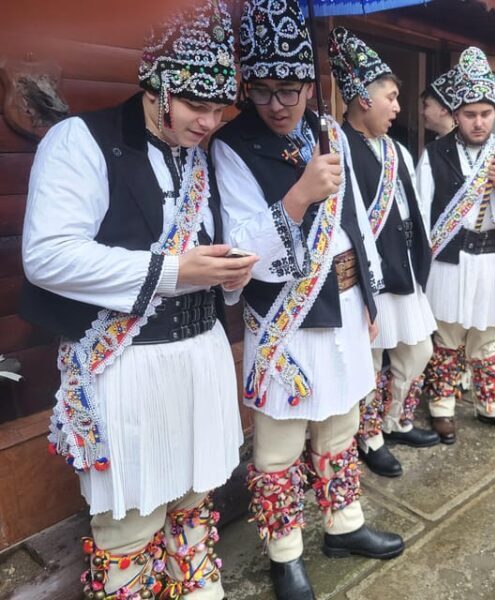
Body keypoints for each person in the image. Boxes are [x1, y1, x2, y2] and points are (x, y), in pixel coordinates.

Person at [20, 2, 257, 597]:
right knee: (131, 517)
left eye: (218, 107)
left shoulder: (201, 157)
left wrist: (228, 274)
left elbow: (209, 253)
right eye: (196, 106)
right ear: (156, 89)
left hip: (201, 353)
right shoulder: (80, 141)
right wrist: (176, 270)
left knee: (194, 496)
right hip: (127, 361)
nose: (209, 122)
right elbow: (48, 255)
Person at [211, 2, 403, 598]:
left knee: (341, 422)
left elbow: (357, 223)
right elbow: (240, 249)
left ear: (311, 82)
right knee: (279, 440)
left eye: (289, 88)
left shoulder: (328, 129)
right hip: (284, 316)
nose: (276, 103)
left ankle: (344, 524)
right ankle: (284, 552)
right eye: (262, 90)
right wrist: (296, 198)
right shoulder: (231, 145)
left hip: (344, 303)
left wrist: (371, 298)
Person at [329, 28, 440, 478]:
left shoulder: (396, 149)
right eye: (390, 97)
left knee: (417, 352)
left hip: (404, 269)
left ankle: (397, 418)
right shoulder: (336, 145)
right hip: (365, 278)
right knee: (370, 362)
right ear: (362, 98)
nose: (398, 107)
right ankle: (370, 435)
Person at [417, 47, 495, 444]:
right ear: (456, 114)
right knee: (448, 336)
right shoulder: (434, 154)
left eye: (486, 114)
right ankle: (442, 406)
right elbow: (420, 212)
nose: (479, 122)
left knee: (485, 337)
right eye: (470, 114)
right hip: (450, 259)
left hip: (492, 258)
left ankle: (493, 404)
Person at [420, 66, 459, 138]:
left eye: (426, 105)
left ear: (444, 109)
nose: (421, 112)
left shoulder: (463, 146)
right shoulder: (434, 147)